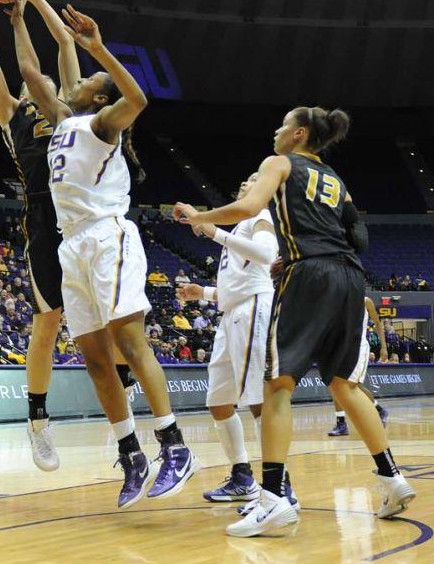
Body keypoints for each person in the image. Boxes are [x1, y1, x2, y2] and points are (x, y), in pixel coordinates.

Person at [174, 106, 415, 536]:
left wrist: (200, 218)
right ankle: (393, 479)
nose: (276, 130)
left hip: (309, 274)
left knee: (277, 385)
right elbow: (358, 236)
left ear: (299, 133)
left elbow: (249, 205)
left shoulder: (279, 162)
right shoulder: (337, 179)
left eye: (283, 124)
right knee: (344, 384)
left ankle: (271, 499)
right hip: (349, 278)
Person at [11, 0, 198, 508]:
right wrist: (17, 17)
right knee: (94, 358)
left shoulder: (101, 123)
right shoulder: (59, 119)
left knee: (129, 342)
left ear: (97, 96)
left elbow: (137, 100)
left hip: (107, 236)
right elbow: (29, 71)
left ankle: (175, 447)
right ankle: (132, 453)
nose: (78, 83)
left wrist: (98, 49)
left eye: (88, 81)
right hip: (72, 247)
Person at [0, 0, 66, 471]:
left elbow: (65, 47)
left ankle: (133, 420)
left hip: (85, 218)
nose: (43, 81)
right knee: (47, 320)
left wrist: (30, 1)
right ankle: (37, 420)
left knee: (118, 323)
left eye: (48, 79)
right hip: (43, 218)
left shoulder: (71, 110)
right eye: (37, 79)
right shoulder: (14, 114)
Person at [177, 175, 281, 507]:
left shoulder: (260, 217)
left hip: (253, 310)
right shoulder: (239, 229)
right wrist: (203, 293)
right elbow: (237, 283)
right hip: (232, 313)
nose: (246, 182)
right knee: (218, 401)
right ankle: (243, 478)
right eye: (244, 181)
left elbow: (266, 255)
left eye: (254, 180)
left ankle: (278, 486)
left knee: (256, 400)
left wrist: (213, 230)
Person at [328, 296, 389, 436]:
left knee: (353, 386)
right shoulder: (336, 299)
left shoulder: (365, 300)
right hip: (339, 348)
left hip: (358, 348)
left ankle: (380, 411)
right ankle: (341, 423)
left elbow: (378, 324)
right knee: (334, 383)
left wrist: (383, 347)